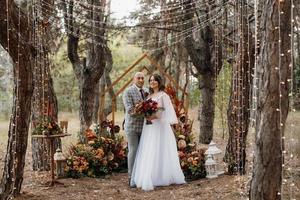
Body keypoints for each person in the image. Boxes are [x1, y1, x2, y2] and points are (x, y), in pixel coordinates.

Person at [131, 74, 185, 191]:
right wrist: (146, 115)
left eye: (155, 80)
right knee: (149, 149)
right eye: (150, 80)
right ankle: (151, 175)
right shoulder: (148, 95)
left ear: (159, 82)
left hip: (159, 126)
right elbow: (145, 109)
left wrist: (152, 117)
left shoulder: (163, 95)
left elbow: (162, 113)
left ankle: (161, 176)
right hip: (149, 127)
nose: (152, 82)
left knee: (159, 149)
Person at [122, 72, 147, 187]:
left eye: (142, 78)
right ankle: (131, 177)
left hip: (146, 127)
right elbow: (130, 110)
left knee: (143, 152)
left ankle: (142, 176)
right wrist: (146, 112)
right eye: (139, 78)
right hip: (132, 127)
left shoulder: (147, 91)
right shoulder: (128, 91)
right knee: (133, 150)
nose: (141, 80)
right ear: (134, 79)